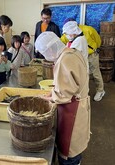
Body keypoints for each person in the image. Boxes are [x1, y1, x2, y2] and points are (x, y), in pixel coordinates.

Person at [35, 31, 91, 165]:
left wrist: (50, 97)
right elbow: (71, 83)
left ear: (49, 50)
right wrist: (53, 91)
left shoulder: (63, 60)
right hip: (81, 104)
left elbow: (64, 95)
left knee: (69, 150)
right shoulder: (73, 52)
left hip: (72, 111)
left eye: (44, 54)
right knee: (77, 145)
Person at [61, 18, 105, 101]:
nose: (67, 34)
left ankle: (100, 90)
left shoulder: (88, 29)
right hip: (80, 56)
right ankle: (84, 91)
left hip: (92, 54)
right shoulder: (69, 33)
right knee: (84, 75)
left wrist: (96, 48)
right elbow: (62, 41)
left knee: (95, 73)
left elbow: (98, 39)